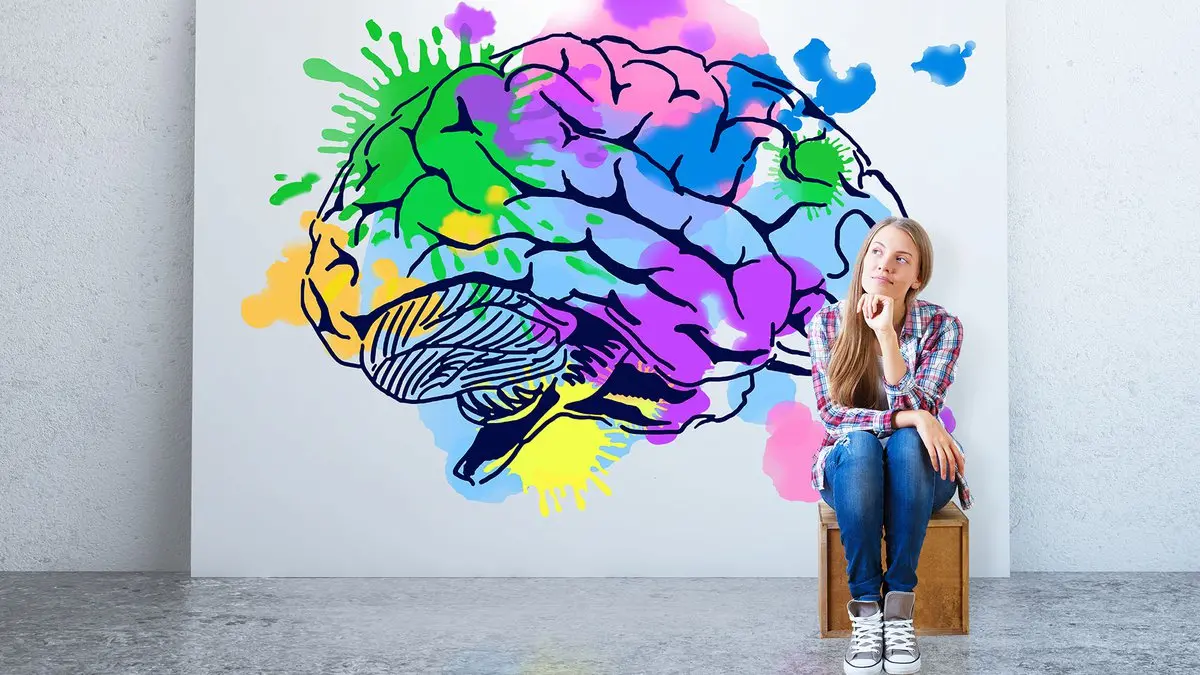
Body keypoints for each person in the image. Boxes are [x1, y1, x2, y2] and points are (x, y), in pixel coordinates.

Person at [805, 216, 973, 675]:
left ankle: (898, 611)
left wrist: (885, 335)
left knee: (906, 444)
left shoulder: (942, 326)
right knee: (862, 446)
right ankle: (866, 613)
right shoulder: (826, 323)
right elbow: (833, 415)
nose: (885, 265)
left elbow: (924, 406)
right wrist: (914, 417)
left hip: (920, 473)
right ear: (863, 260)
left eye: (902, 259)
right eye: (878, 252)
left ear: (917, 277)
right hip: (850, 472)